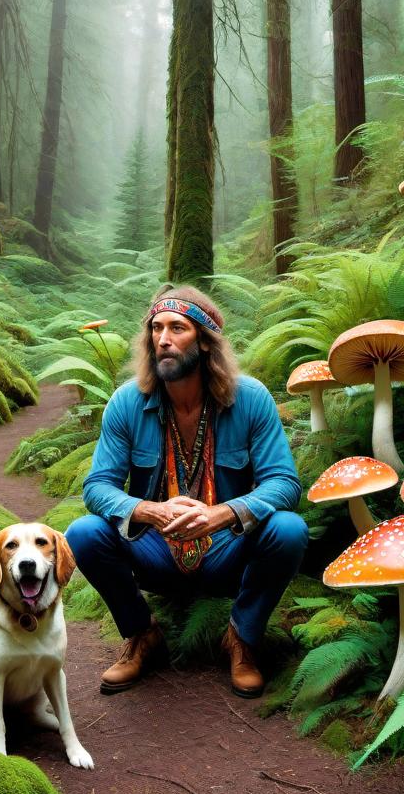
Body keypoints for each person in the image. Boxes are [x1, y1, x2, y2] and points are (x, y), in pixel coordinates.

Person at [65, 285, 308, 698]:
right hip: (154, 550)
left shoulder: (251, 400)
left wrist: (224, 514)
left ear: (205, 341)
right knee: (83, 534)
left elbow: (284, 483)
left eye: (177, 328)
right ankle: (142, 635)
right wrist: (148, 510)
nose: (163, 339)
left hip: (226, 549)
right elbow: (97, 487)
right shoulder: (127, 402)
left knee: (289, 529)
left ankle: (242, 638)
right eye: (156, 329)